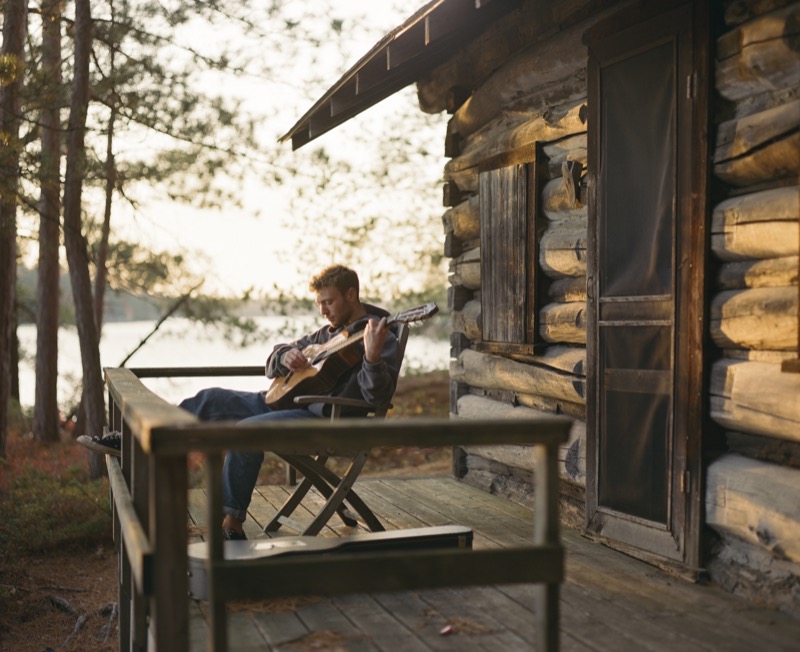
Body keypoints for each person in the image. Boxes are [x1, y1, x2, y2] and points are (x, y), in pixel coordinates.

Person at [180, 264, 399, 540]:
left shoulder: (382, 337)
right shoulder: (326, 334)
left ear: (351, 295)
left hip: (327, 422)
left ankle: (231, 524)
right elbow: (275, 355)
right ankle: (137, 439)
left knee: (246, 431)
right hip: (287, 403)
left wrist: (372, 358)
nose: (323, 310)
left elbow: (377, 397)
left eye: (328, 302)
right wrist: (284, 357)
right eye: (319, 303)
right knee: (210, 399)